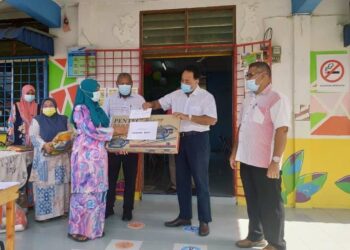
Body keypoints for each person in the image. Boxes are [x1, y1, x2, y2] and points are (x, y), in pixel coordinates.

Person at [143, 65, 217, 237]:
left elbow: (212, 120)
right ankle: (184, 216)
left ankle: (204, 221)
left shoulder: (206, 97)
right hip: (179, 139)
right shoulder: (175, 95)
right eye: (182, 80)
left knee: (200, 181)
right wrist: (149, 104)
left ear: (196, 81)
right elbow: (158, 103)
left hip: (198, 140)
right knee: (181, 180)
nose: (183, 83)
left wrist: (188, 117)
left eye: (187, 81)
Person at [230, 62, 290, 250]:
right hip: (247, 158)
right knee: (253, 200)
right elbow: (242, 127)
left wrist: (275, 161)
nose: (247, 79)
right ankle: (256, 236)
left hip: (266, 162)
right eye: (247, 75)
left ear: (265, 76)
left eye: (250, 75)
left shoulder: (277, 98)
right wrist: (234, 152)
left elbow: (282, 130)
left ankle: (276, 243)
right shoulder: (248, 99)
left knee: (271, 204)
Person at [68, 78, 126, 242]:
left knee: (98, 192)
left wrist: (115, 134)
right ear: (86, 91)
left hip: (99, 158)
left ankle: (94, 228)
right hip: (84, 158)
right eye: (96, 89)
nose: (98, 93)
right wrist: (114, 131)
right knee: (84, 194)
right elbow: (90, 131)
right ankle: (78, 229)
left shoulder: (97, 109)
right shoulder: (80, 109)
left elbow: (103, 127)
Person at [103, 73, 145, 221]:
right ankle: (108, 208)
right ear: (117, 84)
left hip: (132, 146)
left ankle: (128, 210)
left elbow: (143, 122)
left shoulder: (140, 100)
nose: (125, 86)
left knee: (130, 179)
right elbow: (104, 121)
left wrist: (130, 142)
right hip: (113, 146)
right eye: (122, 83)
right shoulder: (109, 100)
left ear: (132, 84)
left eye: (127, 83)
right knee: (110, 179)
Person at [29, 98, 71, 221]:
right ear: (41, 108)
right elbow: (33, 136)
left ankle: (61, 211)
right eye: (45, 105)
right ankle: (44, 215)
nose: (48, 107)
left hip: (60, 159)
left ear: (56, 106)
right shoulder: (37, 120)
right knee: (44, 185)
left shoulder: (64, 119)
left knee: (60, 184)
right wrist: (44, 145)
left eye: (51, 104)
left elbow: (70, 134)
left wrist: (67, 142)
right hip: (44, 159)